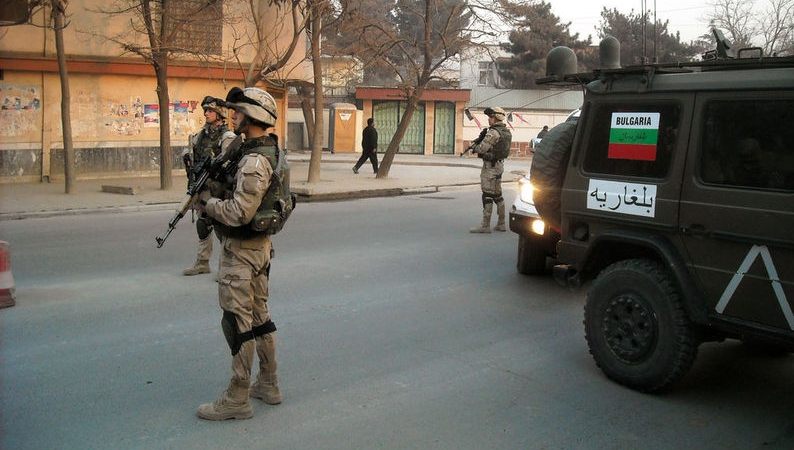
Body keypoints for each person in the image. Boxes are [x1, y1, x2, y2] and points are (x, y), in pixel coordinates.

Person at [195, 86, 283, 421]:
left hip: (242, 252)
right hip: (259, 249)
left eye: (238, 111)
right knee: (260, 317)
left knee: (238, 323)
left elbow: (239, 212)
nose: (233, 116)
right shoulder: (262, 149)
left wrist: (207, 203)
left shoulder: (254, 161)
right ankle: (269, 384)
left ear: (253, 116)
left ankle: (237, 397)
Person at [182, 96, 235, 276]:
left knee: (222, 229)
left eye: (210, 110)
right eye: (205, 110)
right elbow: (189, 150)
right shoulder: (202, 135)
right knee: (203, 224)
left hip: (219, 190)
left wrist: (216, 167)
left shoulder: (227, 136)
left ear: (220, 114)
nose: (206, 114)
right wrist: (187, 158)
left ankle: (226, 268)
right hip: (203, 188)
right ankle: (202, 262)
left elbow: (230, 162)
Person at [470, 107, 512, 233]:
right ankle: (501, 223)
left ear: (496, 118)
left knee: (487, 194)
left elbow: (481, 149)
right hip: (499, 166)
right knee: (498, 195)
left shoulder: (493, 133)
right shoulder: (506, 132)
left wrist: (474, 146)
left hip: (490, 167)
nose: (489, 119)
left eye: (491, 117)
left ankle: (485, 225)